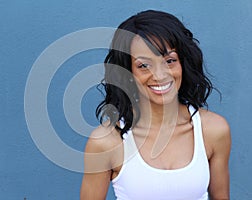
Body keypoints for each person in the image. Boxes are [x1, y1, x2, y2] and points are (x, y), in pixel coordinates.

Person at [80, 10, 231, 200]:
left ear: (183, 63)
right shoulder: (106, 142)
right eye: (144, 65)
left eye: (170, 61)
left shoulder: (213, 130)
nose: (160, 75)